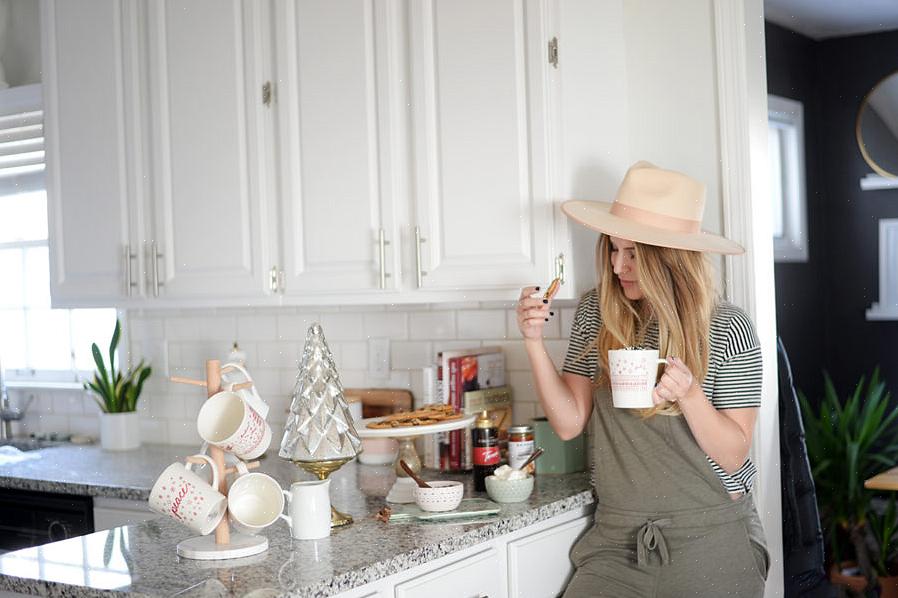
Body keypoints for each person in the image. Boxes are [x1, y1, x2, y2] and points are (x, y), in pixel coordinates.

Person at [517, 161, 769, 597]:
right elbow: (568, 422)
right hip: (618, 540)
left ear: (669, 256)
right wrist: (533, 341)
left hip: (710, 535)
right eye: (613, 249)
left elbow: (733, 454)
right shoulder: (597, 312)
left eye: (632, 253)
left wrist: (690, 395)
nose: (617, 266)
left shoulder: (728, 327)